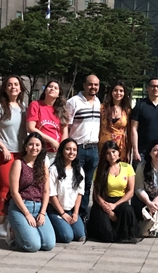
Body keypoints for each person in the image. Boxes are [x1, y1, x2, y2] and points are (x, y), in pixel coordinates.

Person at [0, 75, 26, 238]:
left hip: (19, 152)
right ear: (4, 88)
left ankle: (12, 219)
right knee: (6, 186)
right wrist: (3, 147)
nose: (13, 87)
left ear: (21, 88)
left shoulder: (23, 106)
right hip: (0, 152)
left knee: (18, 187)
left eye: (16, 84)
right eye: (9, 84)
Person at [5, 132, 56, 252]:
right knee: (33, 246)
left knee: (48, 245)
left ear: (42, 148)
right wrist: (27, 214)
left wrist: (43, 213)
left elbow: (46, 191)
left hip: (38, 207)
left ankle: (26, 232)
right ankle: (13, 234)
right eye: (31, 144)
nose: (34, 148)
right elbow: (14, 192)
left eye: (37, 145)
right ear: (26, 146)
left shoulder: (43, 166)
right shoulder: (18, 163)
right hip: (21, 207)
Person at [87, 140, 140, 243]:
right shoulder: (99, 170)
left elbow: (130, 192)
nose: (112, 155)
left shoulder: (127, 167)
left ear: (118, 152)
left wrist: (115, 205)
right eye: (108, 153)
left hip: (119, 201)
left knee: (127, 210)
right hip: (104, 202)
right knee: (107, 234)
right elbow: (96, 194)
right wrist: (107, 209)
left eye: (114, 151)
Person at [66, 74, 102, 218]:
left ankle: (82, 214)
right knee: (73, 182)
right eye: (90, 84)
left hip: (93, 149)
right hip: (77, 148)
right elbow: (66, 126)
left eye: (96, 85)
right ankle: (69, 212)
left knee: (87, 185)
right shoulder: (73, 102)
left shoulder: (99, 102)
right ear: (84, 85)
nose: (93, 87)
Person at [47, 138, 86, 243]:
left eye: (74, 150)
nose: (71, 152)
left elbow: (79, 193)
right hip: (55, 210)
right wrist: (63, 214)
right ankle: (51, 226)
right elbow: (52, 195)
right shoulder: (53, 170)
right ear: (62, 151)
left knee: (80, 236)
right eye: (68, 149)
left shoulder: (79, 170)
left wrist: (76, 213)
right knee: (67, 237)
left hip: (70, 210)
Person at [130, 78, 158, 164]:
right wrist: (135, 151)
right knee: (141, 177)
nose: (156, 89)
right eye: (153, 86)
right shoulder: (140, 105)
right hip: (143, 152)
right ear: (147, 88)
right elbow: (133, 129)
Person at [27, 80, 69, 166]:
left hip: (56, 152)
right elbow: (30, 128)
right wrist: (51, 140)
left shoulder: (62, 110)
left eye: (55, 88)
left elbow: (64, 132)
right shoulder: (36, 105)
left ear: (59, 94)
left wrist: (62, 148)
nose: (52, 89)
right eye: (50, 86)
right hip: (40, 151)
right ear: (45, 90)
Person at [99, 81, 132, 161]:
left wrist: (130, 150)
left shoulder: (127, 111)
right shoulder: (102, 108)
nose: (118, 93)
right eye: (115, 90)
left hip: (120, 146)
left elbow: (129, 132)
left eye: (121, 91)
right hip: (103, 145)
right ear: (111, 92)